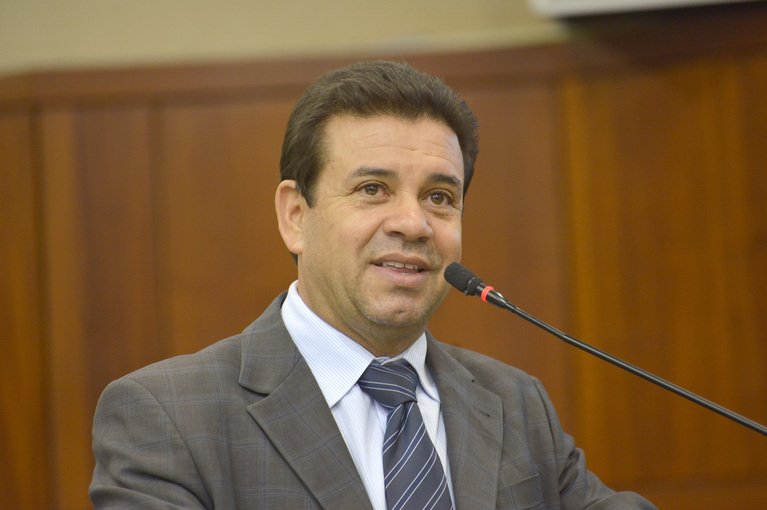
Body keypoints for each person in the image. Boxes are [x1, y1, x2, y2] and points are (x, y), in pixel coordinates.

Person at [90, 60, 656, 509]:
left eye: (439, 197)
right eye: (372, 190)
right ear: (295, 216)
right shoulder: (168, 417)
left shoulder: (514, 402)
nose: (413, 223)